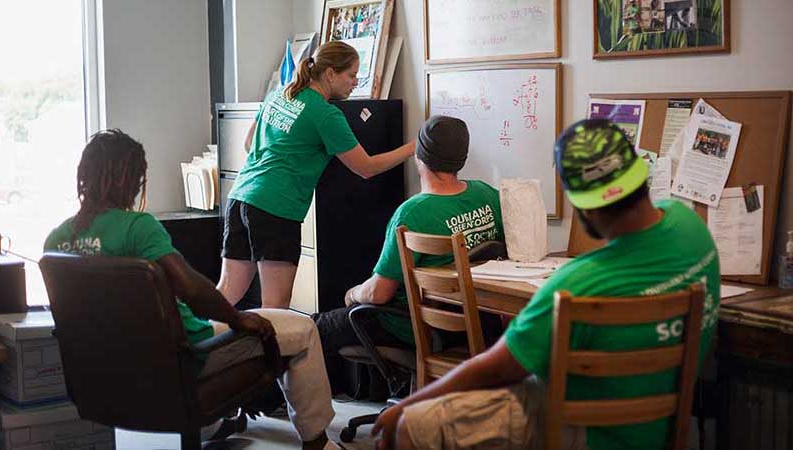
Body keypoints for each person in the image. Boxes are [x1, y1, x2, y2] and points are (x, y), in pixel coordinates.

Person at [371, 119, 721, 450]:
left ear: (586, 212)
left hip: (584, 431)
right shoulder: (692, 230)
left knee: (413, 425)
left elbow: (496, 367)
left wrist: (405, 406)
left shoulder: (575, 286)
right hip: (663, 425)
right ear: (641, 177)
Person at [44, 130, 339, 450]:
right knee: (304, 328)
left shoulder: (56, 241)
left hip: (110, 374)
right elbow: (191, 288)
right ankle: (318, 443)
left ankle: (214, 427)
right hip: (187, 357)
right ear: (127, 180)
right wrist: (239, 319)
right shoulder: (137, 228)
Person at [221, 40, 414, 310]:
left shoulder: (281, 93)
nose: (355, 82)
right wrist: (413, 147)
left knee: (227, 292)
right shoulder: (325, 114)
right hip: (275, 208)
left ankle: (195, 347)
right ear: (330, 74)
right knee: (276, 305)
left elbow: (247, 142)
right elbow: (366, 168)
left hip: (241, 197)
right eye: (351, 75)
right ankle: (270, 354)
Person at [315, 115, 505, 357]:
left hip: (414, 327)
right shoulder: (487, 194)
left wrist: (352, 294)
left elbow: (379, 294)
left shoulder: (412, 213)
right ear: (462, 158)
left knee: (316, 328)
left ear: (419, 157)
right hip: (476, 327)